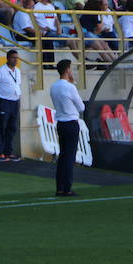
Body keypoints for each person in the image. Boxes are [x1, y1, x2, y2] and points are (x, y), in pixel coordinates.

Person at [50, 59, 83, 196]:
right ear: (67, 70)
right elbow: (81, 107)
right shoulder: (70, 87)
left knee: (63, 156)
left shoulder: (54, 86)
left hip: (60, 122)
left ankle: (59, 186)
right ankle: (67, 187)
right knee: (69, 156)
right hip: (71, 121)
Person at [0, 49, 22, 162]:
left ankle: (8, 151)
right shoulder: (1, 71)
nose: (15, 60)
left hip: (15, 101)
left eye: (16, 58)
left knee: (12, 127)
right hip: (4, 101)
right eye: (13, 57)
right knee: (1, 127)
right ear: (8, 58)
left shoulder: (17, 71)